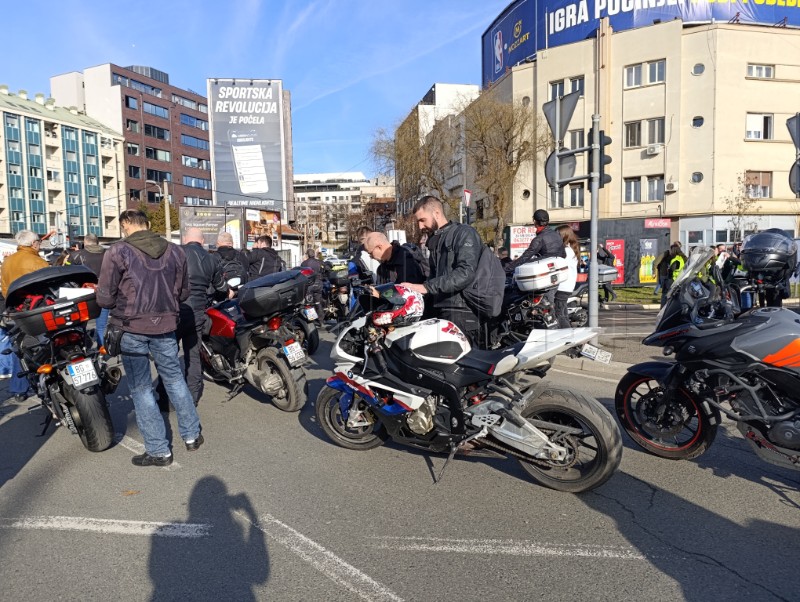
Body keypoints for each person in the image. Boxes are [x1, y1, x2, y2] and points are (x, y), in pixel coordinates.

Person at [96, 210, 202, 467]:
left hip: (131, 325)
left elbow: (105, 298)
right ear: (148, 224)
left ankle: (158, 450)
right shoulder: (176, 251)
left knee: (141, 388)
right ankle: (192, 435)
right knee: (175, 379)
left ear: (125, 225)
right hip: (166, 324)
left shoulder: (118, 251)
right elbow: (184, 291)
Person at [156, 227, 228, 409]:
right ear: (202, 241)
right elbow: (221, 287)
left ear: (185, 238)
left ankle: (164, 399)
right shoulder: (211, 259)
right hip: (197, 312)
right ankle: (192, 398)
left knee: (167, 356)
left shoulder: (174, 253)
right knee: (194, 356)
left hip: (174, 312)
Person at [402, 195, 481, 341]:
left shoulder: (464, 233)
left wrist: (426, 287)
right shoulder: (436, 239)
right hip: (442, 309)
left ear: (436, 213)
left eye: (422, 220)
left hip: (462, 312)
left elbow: (465, 273)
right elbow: (434, 276)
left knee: (464, 362)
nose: (420, 226)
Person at [1, 230, 48, 402]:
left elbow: (5, 288)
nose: (40, 245)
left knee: (18, 349)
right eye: (39, 242)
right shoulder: (38, 262)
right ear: (34, 243)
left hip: (13, 311)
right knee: (44, 344)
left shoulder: (7, 262)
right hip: (35, 310)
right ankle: (45, 382)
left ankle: (19, 389)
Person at [68, 233, 108, 345]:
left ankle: (83, 350)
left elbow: (66, 274)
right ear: (97, 242)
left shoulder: (75, 255)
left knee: (80, 326)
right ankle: (102, 352)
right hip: (103, 293)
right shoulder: (108, 254)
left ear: (85, 242)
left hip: (82, 294)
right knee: (101, 327)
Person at [504, 209, 566, 274]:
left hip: (544, 272)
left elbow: (524, 258)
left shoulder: (539, 239)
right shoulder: (557, 234)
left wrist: (505, 270)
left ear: (535, 222)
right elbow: (564, 255)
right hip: (558, 272)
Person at [554, 225, 579, 329]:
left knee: (560, 314)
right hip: (566, 286)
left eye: (557, 235)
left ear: (563, 236)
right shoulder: (570, 249)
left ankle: (568, 337)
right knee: (562, 313)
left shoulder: (565, 251)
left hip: (562, 286)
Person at [300, 248, 324, 325]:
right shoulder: (319, 262)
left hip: (309, 285)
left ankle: (312, 321)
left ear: (307, 255)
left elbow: (301, 274)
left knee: (309, 304)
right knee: (318, 302)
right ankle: (321, 321)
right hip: (319, 284)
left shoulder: (304, 263)